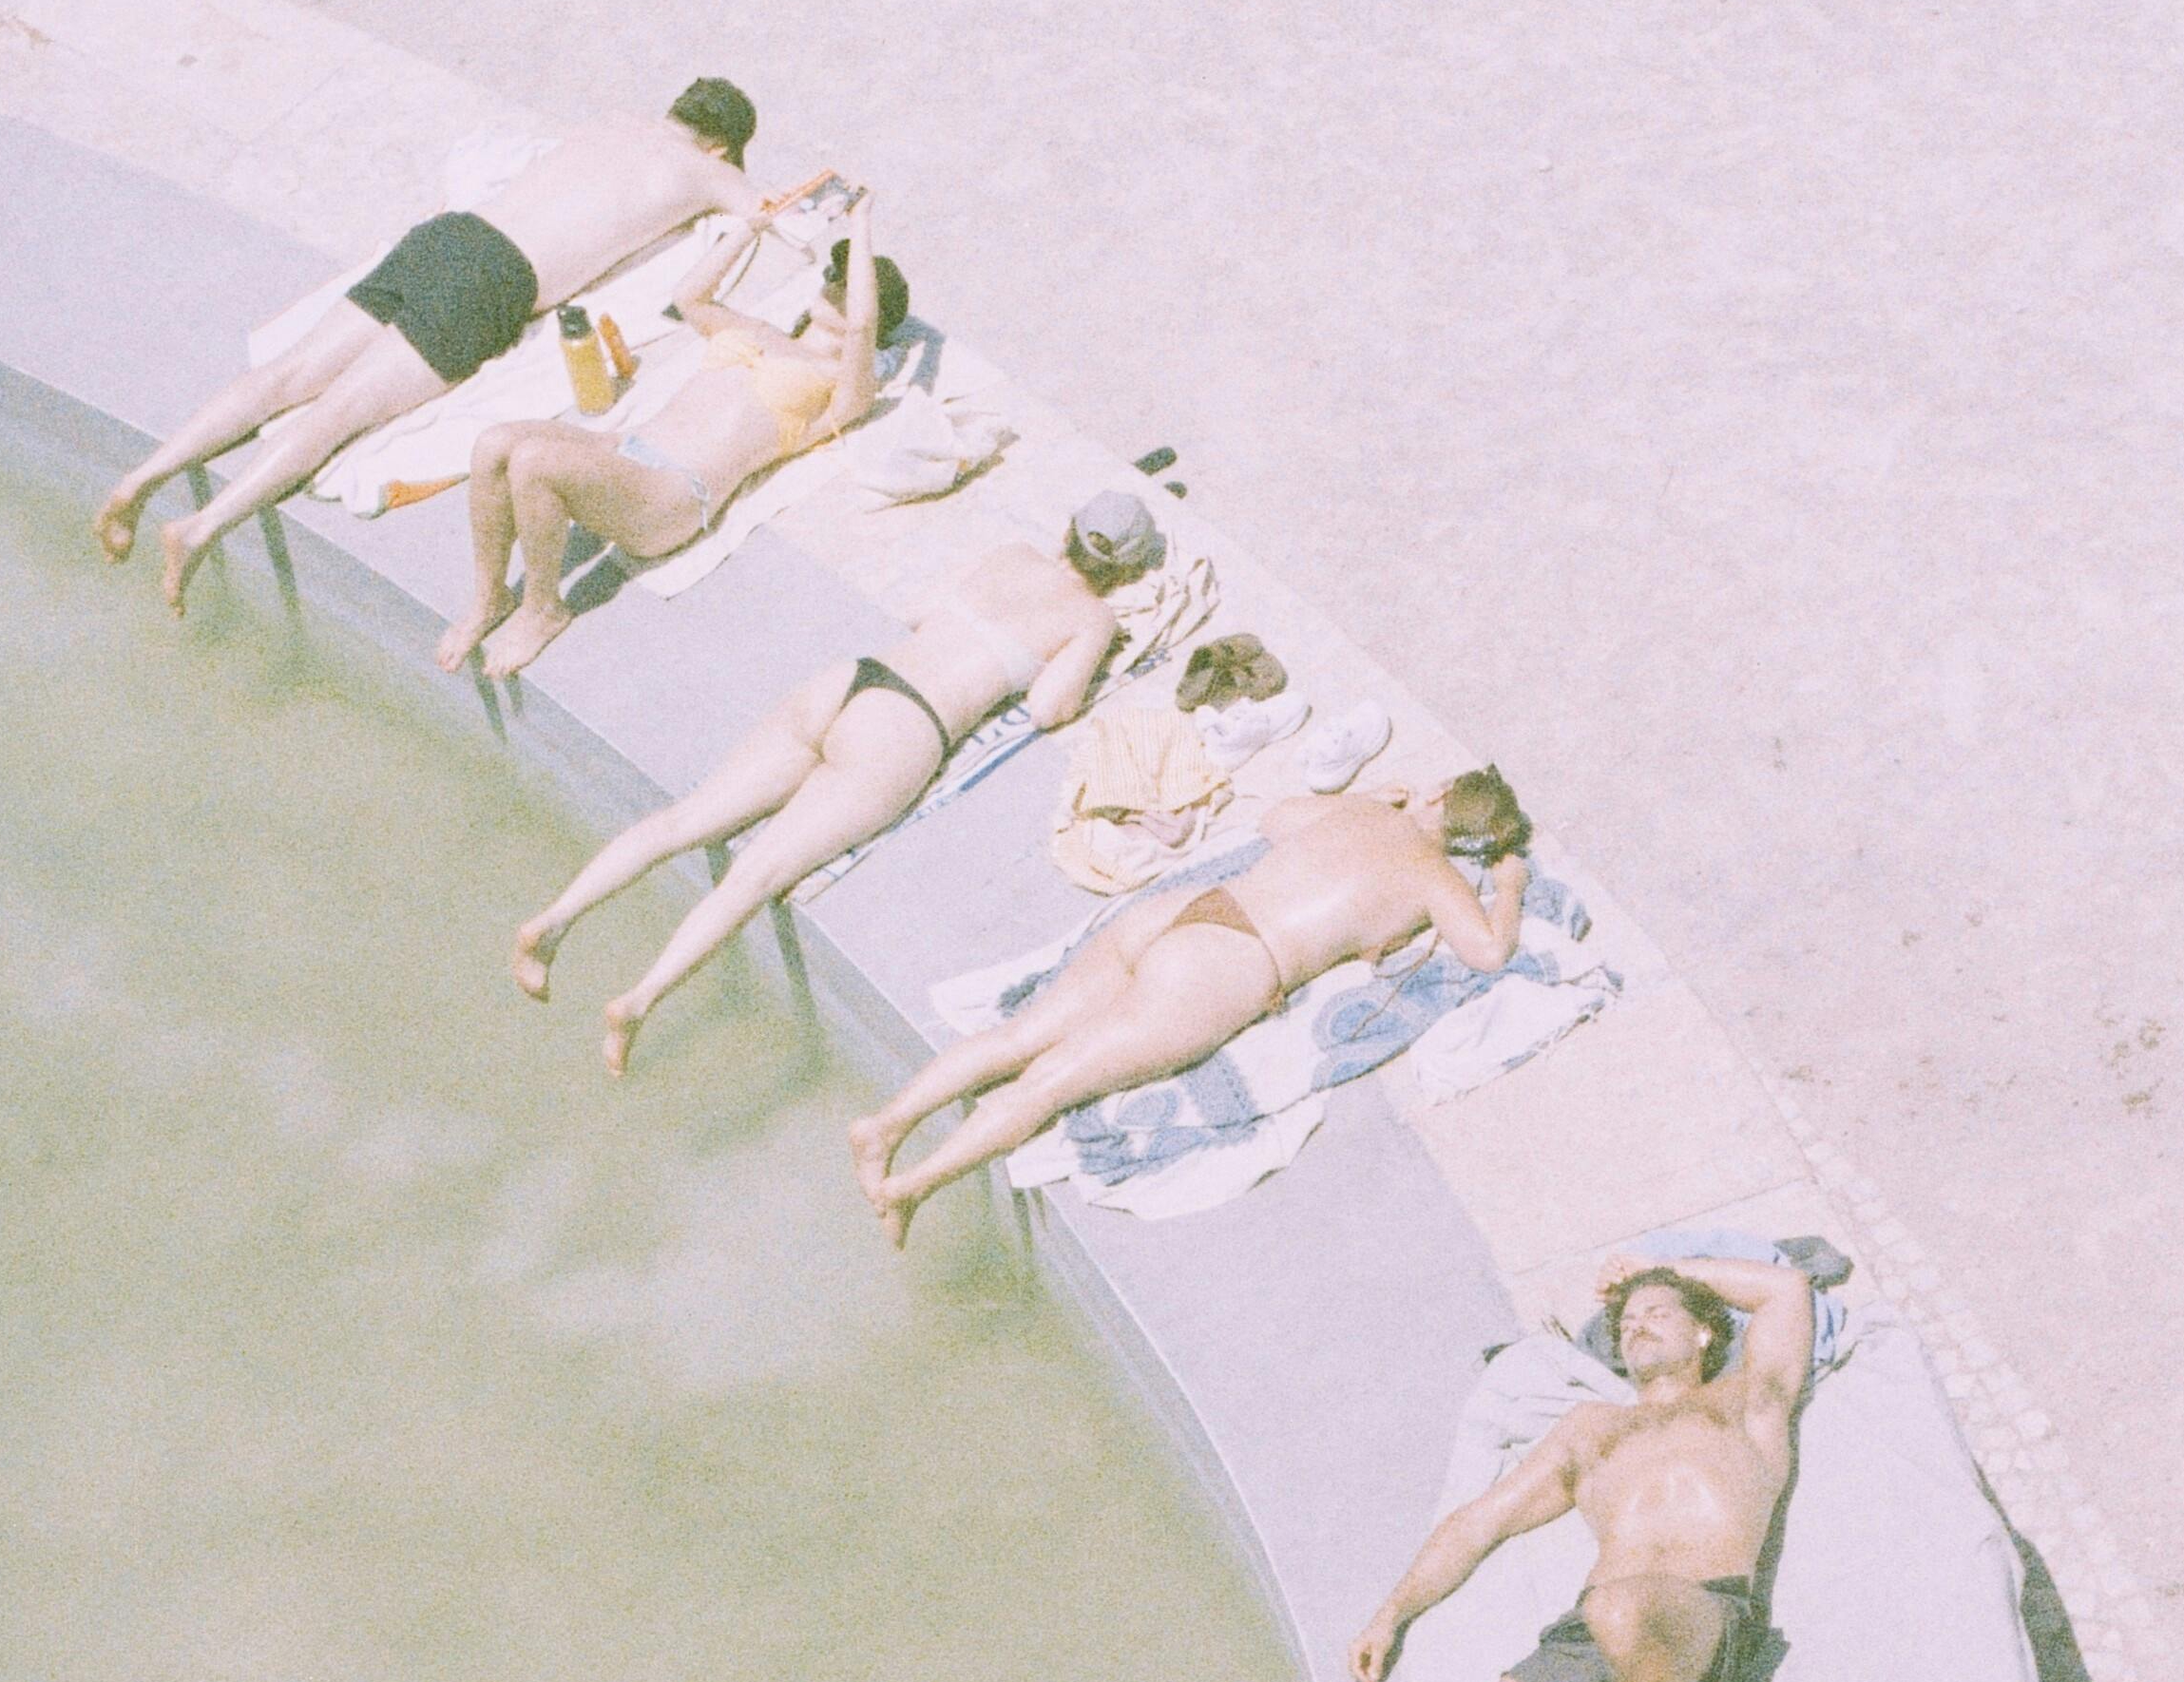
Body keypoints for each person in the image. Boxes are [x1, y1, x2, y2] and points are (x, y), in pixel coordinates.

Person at [509, 492, 1167, 1070]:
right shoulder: (1093, 618)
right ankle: (638, 1000)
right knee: (755, 877)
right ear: (1127, 572)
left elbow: (918, 611)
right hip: (906, 729)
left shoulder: (1011, 554)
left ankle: (554, 920)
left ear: (1068, 532)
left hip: (851, 680)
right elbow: (1052, 707)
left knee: (684, 820)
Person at [92, 80, 761, 614]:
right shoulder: (705, 172)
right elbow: (770, 211)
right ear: (721, 147)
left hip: (448, 238)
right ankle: (200, 529)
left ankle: (139, 478)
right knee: (340, 414)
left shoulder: (617, 121)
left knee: (287, 376)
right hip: (497, 279)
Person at [1342, 1244, 1820, 1682]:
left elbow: (1786, 1289)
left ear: (1706, 1333)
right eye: (1627, 1320)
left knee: (1619, 1607)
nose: (1636, 1325)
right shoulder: (1590, 1429)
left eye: (1660, 1312)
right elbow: (1482, 1521)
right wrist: (1392, 1611)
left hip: (1704, 1616)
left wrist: (1654, 1267)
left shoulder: (1748, 1398)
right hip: (1588, 1645)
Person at [847, 766, 1535, 1241]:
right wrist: (1507, 888)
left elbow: (1276, 817)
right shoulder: (1435, 876)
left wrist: (1369, 796)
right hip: (1232, 966)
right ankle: (909, 1188)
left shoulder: (1359, 813)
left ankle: (885, 1124)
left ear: (1438, 792)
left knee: (1020, 1038)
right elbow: (1487, 952)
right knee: (1051, 1084)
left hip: (1188, 911)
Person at [435, 195, 904, 683]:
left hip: (674, 495)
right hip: (621, 450)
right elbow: (690, 297)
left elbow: (863, 326)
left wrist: (862, 221)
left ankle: (543, 608)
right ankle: (490, 597)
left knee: (535, 462)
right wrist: (752, 227)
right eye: (835, 275)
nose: (832, 285)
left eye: (847, 286)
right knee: (493, 443)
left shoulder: (844, 387)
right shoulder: (759, 331)